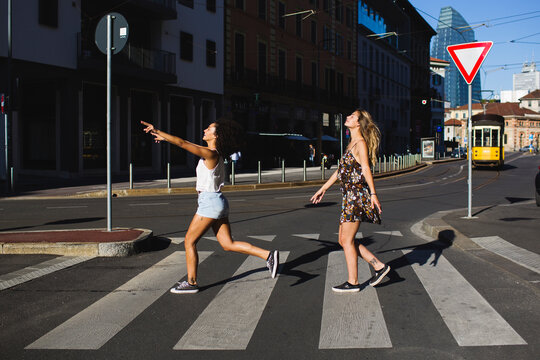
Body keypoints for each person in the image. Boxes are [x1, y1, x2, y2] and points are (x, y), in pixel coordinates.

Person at [141, 119, 279, 294]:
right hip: (217, 201)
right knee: (228, 244)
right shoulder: (215, 154)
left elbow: (183, 143)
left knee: (189, 241)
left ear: (216, 135)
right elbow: (185, 144)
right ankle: (268, 255)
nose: (205, 129)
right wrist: (163, 137)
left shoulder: (211, 154)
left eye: (209, 128)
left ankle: (191, 283)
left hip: (210, 202)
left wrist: (160, 132)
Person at [310, 109, 389, 293]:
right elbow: (340, 171)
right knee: (343, 240)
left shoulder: (360, 143)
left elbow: (366, 169)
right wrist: (323, 189)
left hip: (356, 197)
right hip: (349, 198)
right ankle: (379, 266)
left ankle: (353, 282)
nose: (348, 117)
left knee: (346, 240)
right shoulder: (351, 143)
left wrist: (373, 194)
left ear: (358, 123)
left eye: (352, 116)